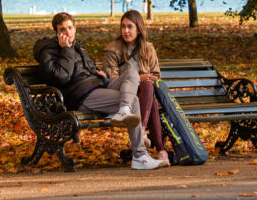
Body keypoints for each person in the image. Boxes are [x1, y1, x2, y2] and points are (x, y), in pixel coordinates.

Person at [34, 12, 165, 171]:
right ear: (56, 32)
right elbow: (62, 77)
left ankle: (124, 111)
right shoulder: (49, 51)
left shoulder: (79, 46)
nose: (67, 32)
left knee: (131, 74)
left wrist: (97, 73)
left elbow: (85, 69)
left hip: (97, 85)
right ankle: (139, 156)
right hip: (81, 95)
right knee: (134, 100)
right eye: (63, 29)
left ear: (75, 28)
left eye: (70, 28)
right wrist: (66, 50)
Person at [103, 9, 169, 165]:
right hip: (123, 94)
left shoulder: (148, 48)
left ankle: (143, 131)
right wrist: (138, 78)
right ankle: (160, 148)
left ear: (139, 29)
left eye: (130, 27)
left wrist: (145, 79)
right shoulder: (113, 49)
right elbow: (111, 79)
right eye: (123, 27)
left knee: (149, 87)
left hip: (144, 94)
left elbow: (156, 74)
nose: (126, 31)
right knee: (148, 93)